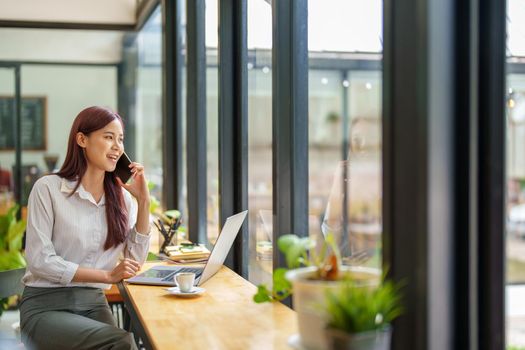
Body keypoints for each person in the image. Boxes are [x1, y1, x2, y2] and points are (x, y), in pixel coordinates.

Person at [19, 106, 151, 350]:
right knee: (121, 342)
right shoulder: (48, 188)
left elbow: (134, 261)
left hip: (93, 303)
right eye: (108, 137)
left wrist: (144, 202)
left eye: (120, 139)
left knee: (127, 343)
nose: (117, 147)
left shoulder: (123, 200)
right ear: (82, 139)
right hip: (44, 306)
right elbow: (39, 260)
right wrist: (107, 276)